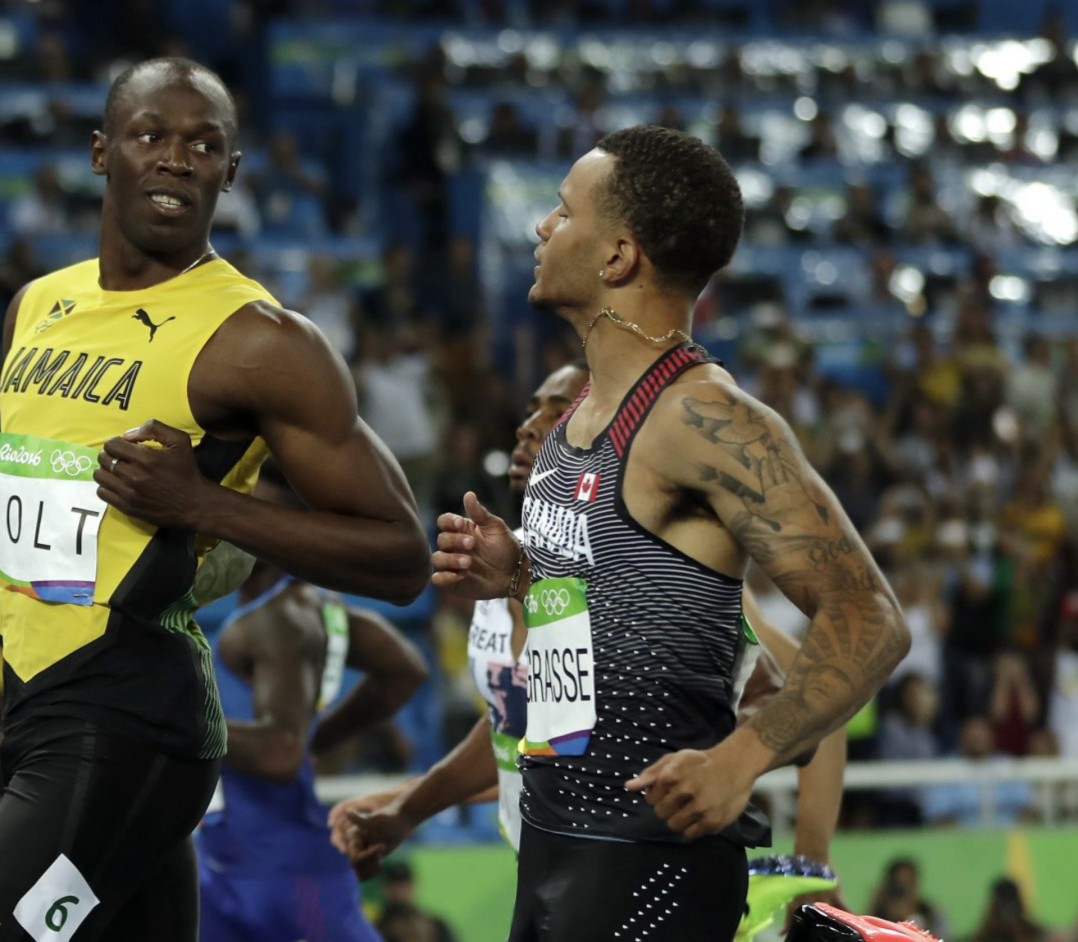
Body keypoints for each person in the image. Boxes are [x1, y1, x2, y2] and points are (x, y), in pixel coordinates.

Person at [0, 57, 430, 941]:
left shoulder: (261, 341)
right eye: (150, 135)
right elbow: (38, 575)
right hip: (48, 711)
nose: (176, 158)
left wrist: (208, 507)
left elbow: (400, 555)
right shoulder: (35, 309)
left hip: (129, 722)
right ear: (101, 153)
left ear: (230, 174)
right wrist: (16, 741)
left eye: (205, 145)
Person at [430, 126, 909, 940]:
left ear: (618, 257)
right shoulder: (577, 414)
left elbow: (871, 619)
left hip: (652, 870)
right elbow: (598, 628)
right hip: (552, 843)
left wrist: (743, 757)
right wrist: (519, 577)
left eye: (562, 211)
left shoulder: (704, 415)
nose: (543, 229)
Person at [330, 360, 847, 931]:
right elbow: (524, 733)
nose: (532, 425)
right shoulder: (504, 564)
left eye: (559, 411)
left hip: (648, 869)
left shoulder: (649, 566)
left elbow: (808, 700)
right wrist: (409, 806)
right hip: (554, 863)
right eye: (533, 409)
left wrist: (810, 857)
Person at [195, 473, 429, 942]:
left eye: (246, 511)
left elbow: (279, 753)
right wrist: (319, 738)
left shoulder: (278, 618)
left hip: (269, 862)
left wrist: (175, 723)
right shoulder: (318, 606)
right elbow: (404, 670)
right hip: (255, 854)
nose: (229, 522)